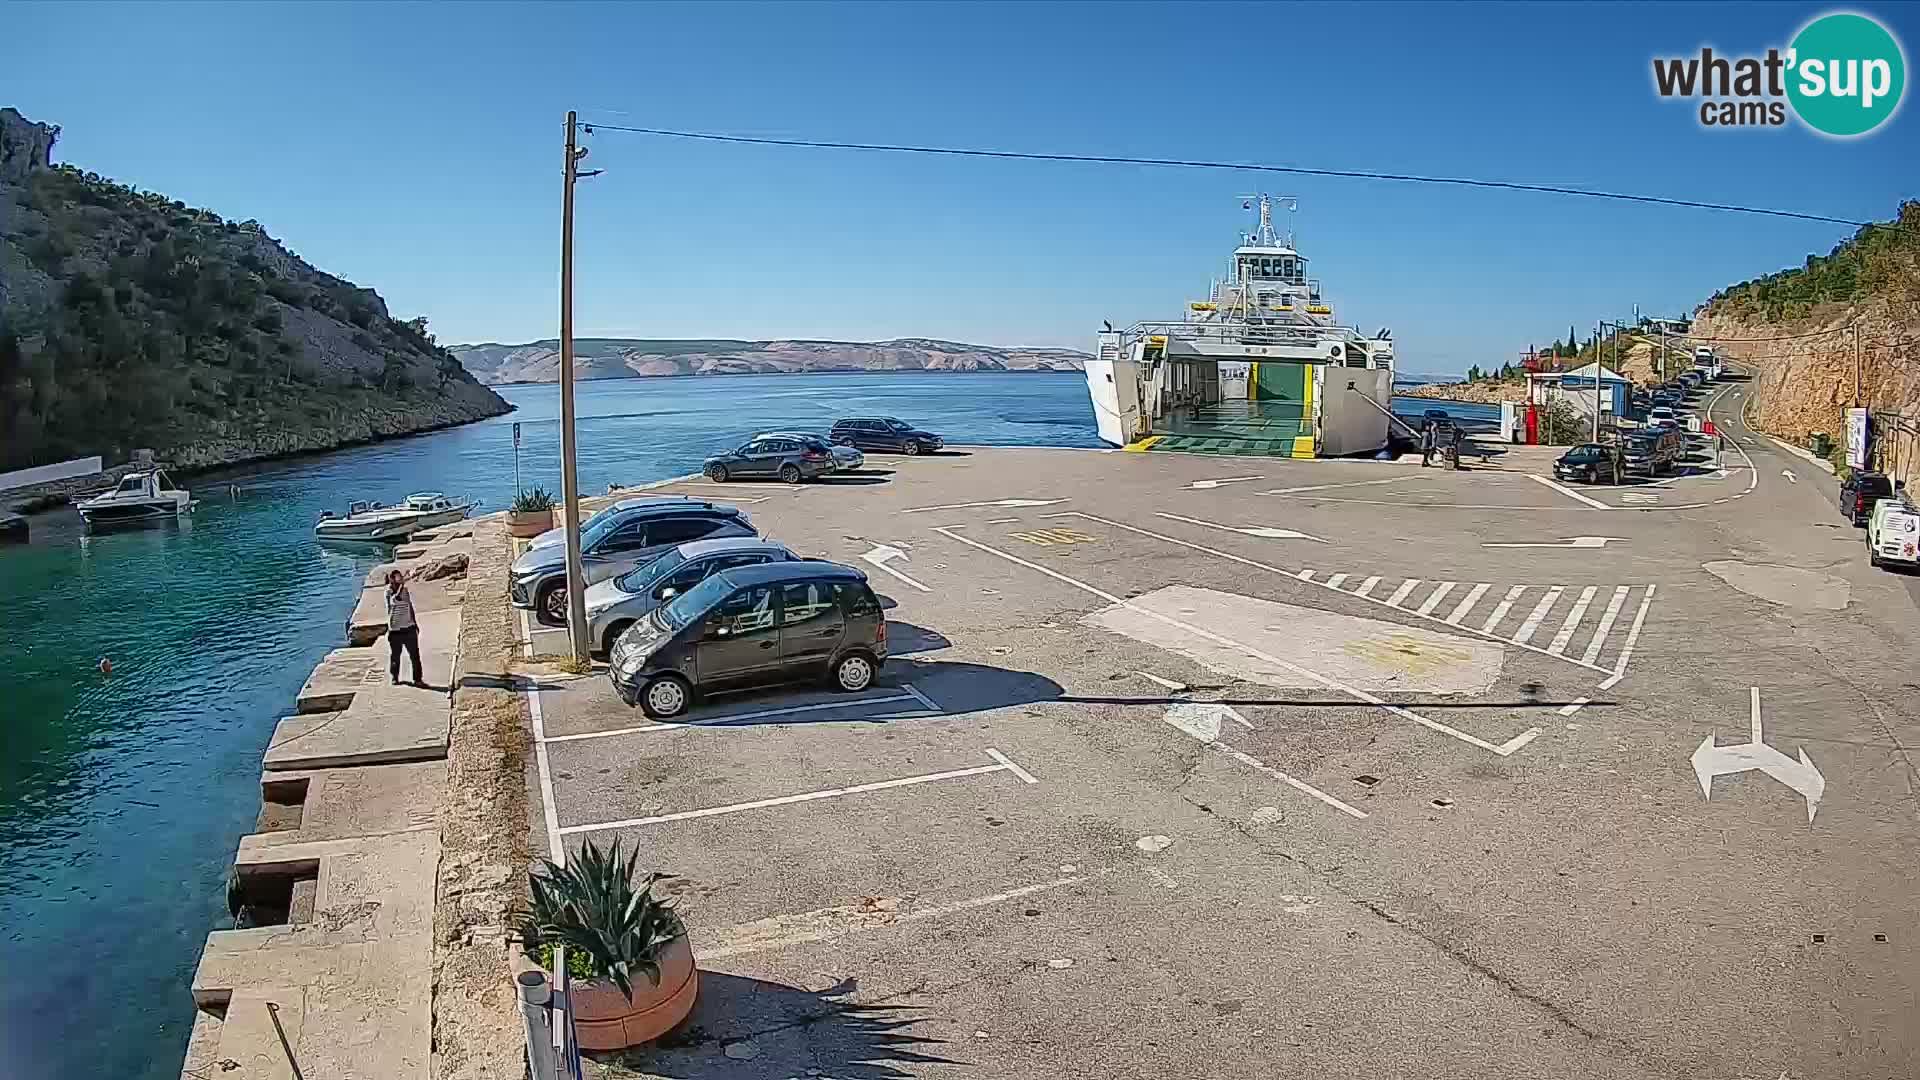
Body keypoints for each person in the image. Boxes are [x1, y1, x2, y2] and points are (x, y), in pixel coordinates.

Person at [386, 570, 424, 687]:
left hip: (409, 627)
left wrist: (415, 622)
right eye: (398, 577)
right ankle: (395, 677)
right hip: (395, 629)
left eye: (401, 577)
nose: (400, 579)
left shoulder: (405, 591)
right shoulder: (389, 592)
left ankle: (418, 679)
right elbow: (396, 600)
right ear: (392, 579)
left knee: (415, 655)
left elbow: (409, 605)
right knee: (395, 655)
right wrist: (402, 585)